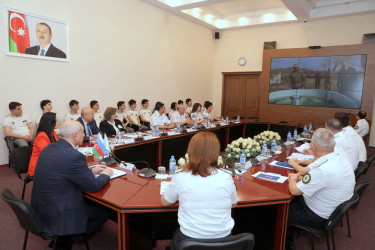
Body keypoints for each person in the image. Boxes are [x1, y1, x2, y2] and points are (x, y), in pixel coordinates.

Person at [31, 121, 113, 249]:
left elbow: (62, 170)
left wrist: (90, 170)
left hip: (41, 206)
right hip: (59, 212)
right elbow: (94, 186)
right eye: (83, 132)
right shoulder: (74, 155)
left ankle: (67, 236)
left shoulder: (49, 148)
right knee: (104, 212)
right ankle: (70, 236)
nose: (84, 135)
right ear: (75, 135)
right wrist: (106, 174)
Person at [161, 132, 237, 249]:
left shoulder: (181, 176)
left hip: (190, 241)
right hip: (224, 241)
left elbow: (165, 202)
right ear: (216, 152)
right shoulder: (226, 177)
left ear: (190, 151)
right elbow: (233, 204)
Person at [285, 129, 355, 250]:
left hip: (317, 217)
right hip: (332, 213)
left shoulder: (321, 169)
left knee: (281, 209)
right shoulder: (339, 158)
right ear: (334, 144)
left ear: (312, 147)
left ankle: (286, 244)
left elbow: (295, 191)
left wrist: (292, 178)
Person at [28, 112, 59, 176]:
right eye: (56, 121)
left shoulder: (52, 132)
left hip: (49, 162)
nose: (58, 123)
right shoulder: (42, 136)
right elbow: (47, 153)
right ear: (50, 122)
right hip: (39, 166)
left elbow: (58, 146)